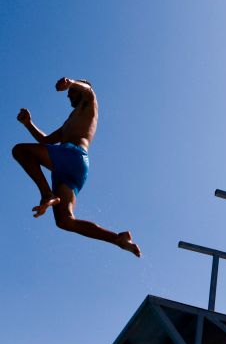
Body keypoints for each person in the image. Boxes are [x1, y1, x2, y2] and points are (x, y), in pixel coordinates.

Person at [12, 77, 141, 257]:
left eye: (72, 93)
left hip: (73, 155)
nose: (69, 96)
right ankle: (118, 239)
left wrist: (72, 83)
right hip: (71, 171)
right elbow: (46, 141)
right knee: (65, 221)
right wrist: (28, 123)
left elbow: (88, 89)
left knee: (20, 151)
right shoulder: (69, 122)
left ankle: (46, 194)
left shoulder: (88, 105)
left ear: (79, 90)